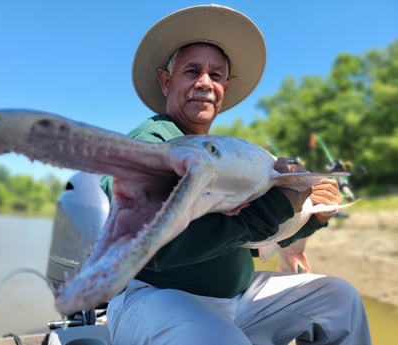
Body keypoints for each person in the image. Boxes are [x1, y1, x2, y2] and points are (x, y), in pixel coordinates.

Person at [101, 5, 371, 345]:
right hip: (156, 297)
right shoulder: (148, 145)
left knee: (339, 299)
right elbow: (154, 248)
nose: (204, 83)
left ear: (225, 87)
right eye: (192, 71)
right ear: (166, 81)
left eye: (216, 75)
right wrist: (280, 202)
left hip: (237, 299)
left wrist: (311, 213)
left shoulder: (230, 154)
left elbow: (248, 238)